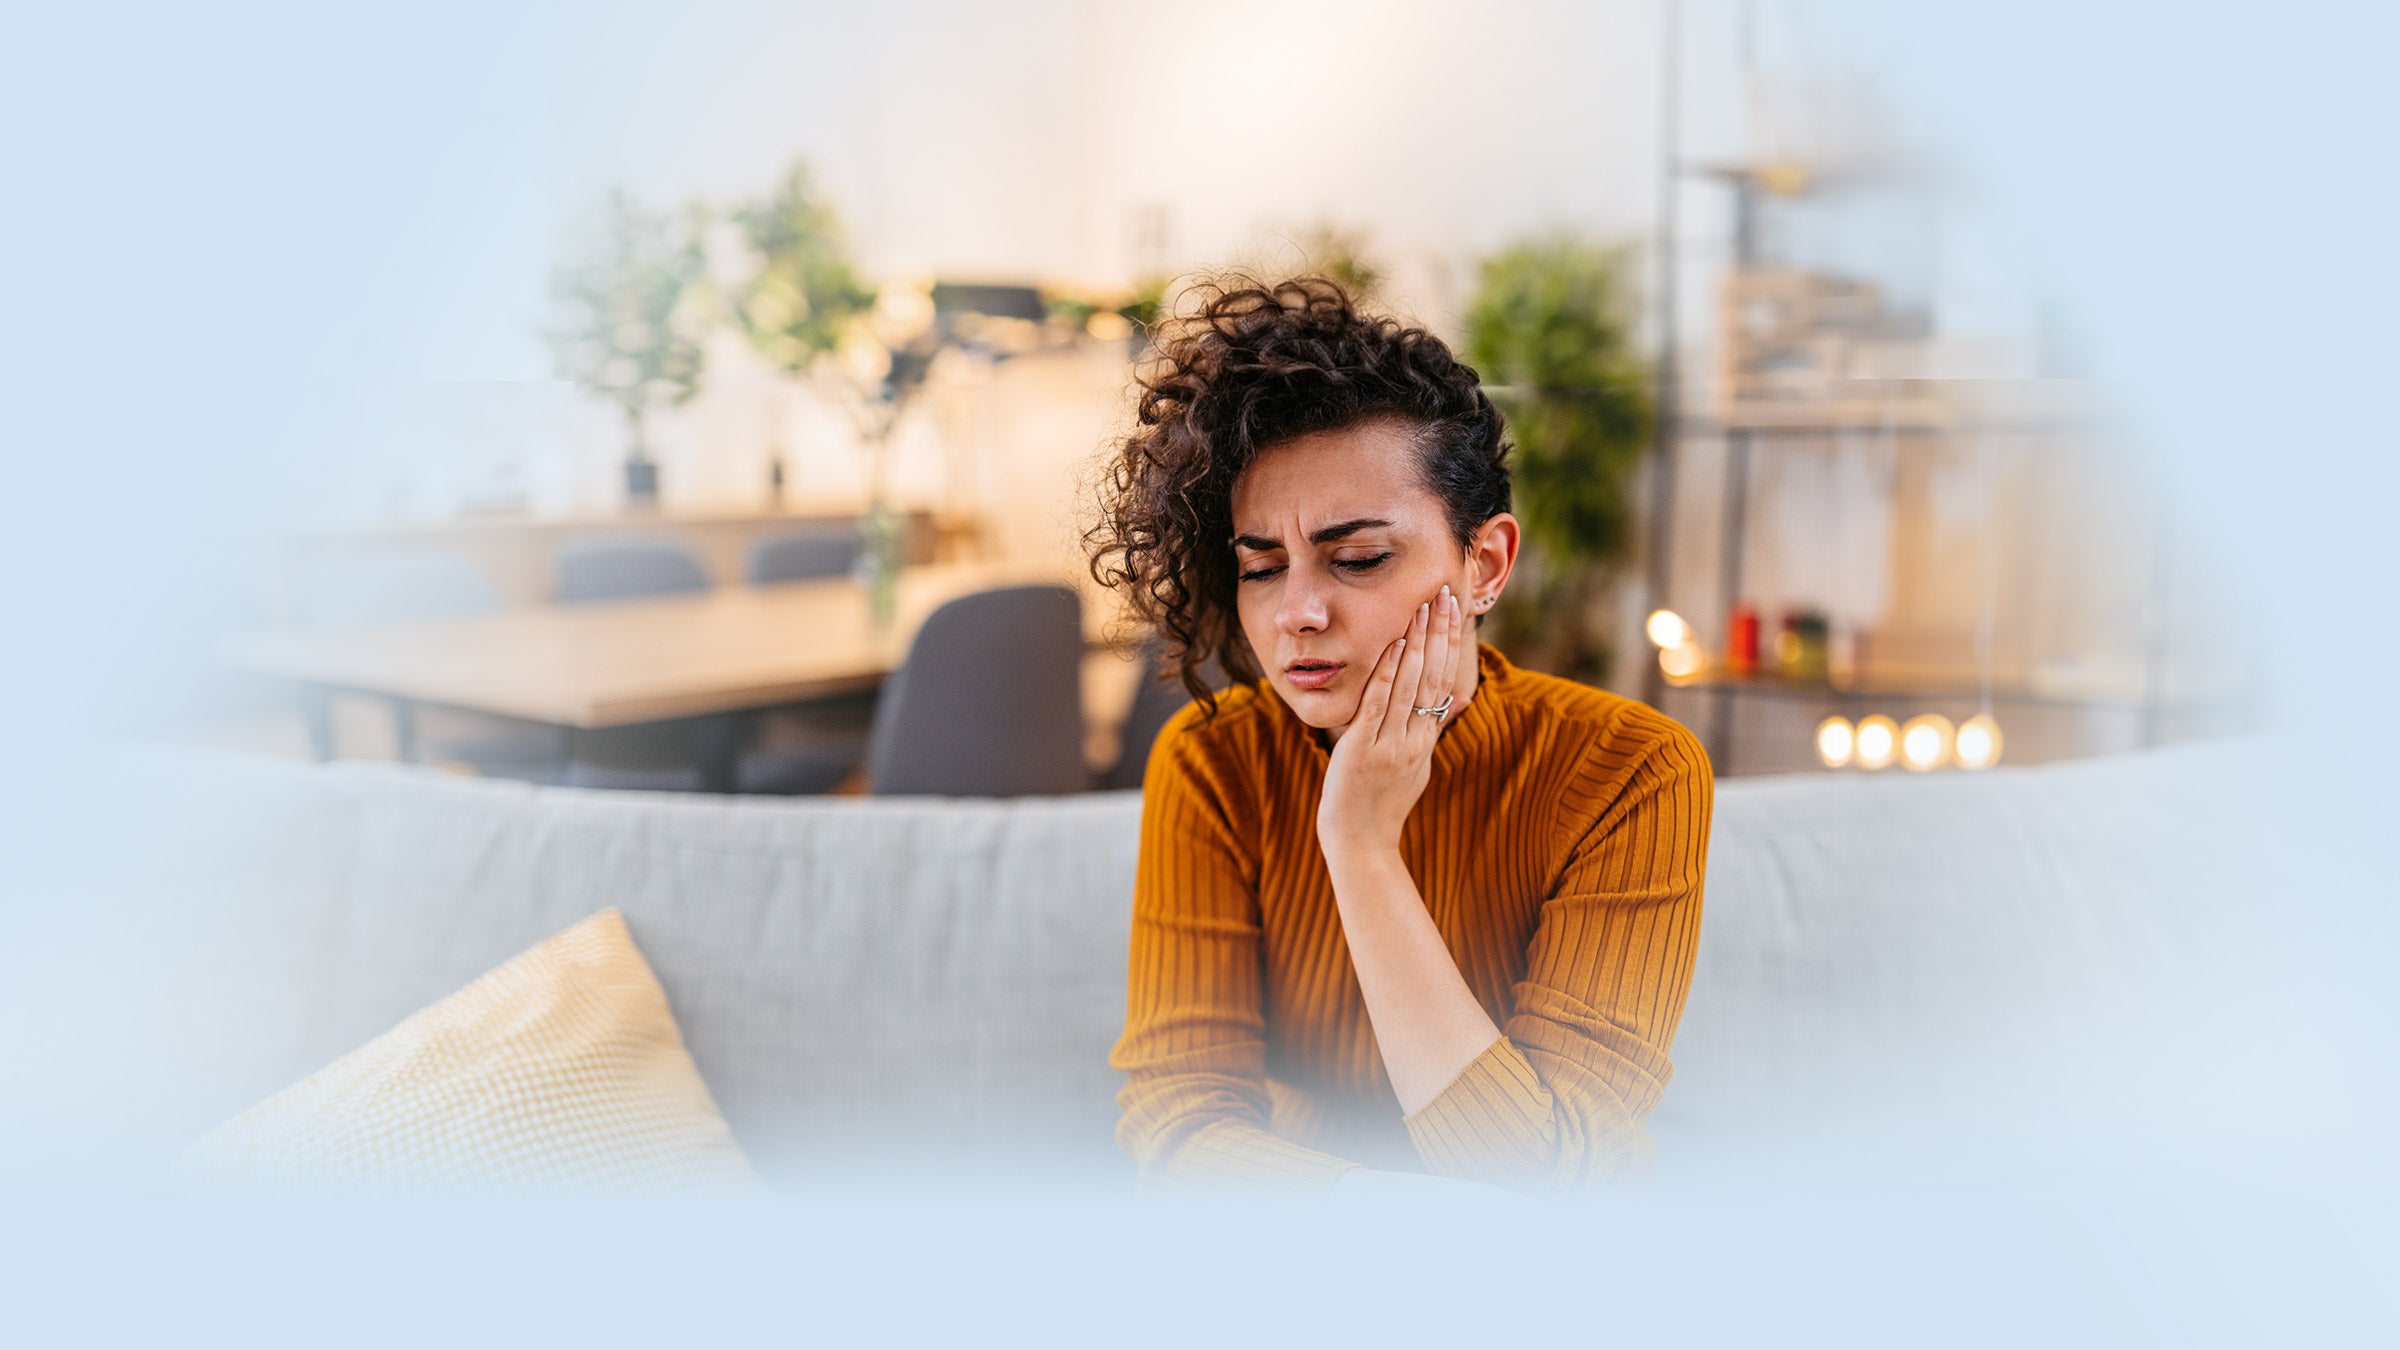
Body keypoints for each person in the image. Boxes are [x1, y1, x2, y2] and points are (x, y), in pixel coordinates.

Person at [1085, 275, 1713, 1195]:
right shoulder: (1213, 760)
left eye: (1358, 559)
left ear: (1486, 561)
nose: (1298, 611)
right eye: (1262, 568)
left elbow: (1550, 1181)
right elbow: (1179, 1129)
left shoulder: (1633, 772)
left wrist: (1362, 845)